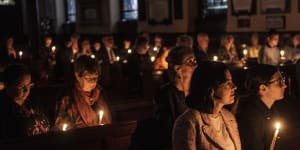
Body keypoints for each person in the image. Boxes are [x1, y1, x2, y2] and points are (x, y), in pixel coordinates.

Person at [173, 61, 241, 150]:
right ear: (211, 90)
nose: (234, 87)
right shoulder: (188, 123)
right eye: (228, 83)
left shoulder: (229, 117)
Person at [154, 46, 197, 149]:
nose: (195, 65)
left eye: (195, 60)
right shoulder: (165, 94)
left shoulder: (196, 90)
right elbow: (167, 129)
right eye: (190, 61)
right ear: (178, 69)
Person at [236, 64, 287, 150]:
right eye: (279, 82)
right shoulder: (251, 118)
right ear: (263, 88)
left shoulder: (271, 110)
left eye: (283, 80)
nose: (285, 85)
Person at [55, 55, 112, 130]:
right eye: (88, 78)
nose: (93, 82)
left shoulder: (100, 94)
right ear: (77, 76)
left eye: (95, 78)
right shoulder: (68, 98)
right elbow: (62, 125)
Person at [0, 64, 50, 140]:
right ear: (8, 86)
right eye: (21, 86)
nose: (26, 90)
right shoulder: (5, 111)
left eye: (29, 84)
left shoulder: (32, 101)